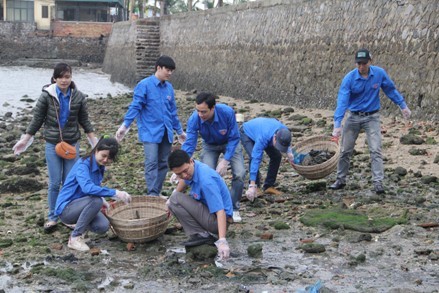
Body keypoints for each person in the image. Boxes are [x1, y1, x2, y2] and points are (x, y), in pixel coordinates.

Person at [12, 63, 98, 233]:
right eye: (61, 77)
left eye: (67, 76)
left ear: (71, 77)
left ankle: (67, 216)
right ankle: (52, 217)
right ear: (55, 78)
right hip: (52, 144)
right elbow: (37, 119)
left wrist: (94, 142)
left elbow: (84, 120)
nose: (64, 80)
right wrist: (25, 139)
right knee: (54, 183)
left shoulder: (79, 96)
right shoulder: (47, 96)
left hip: (72, 144)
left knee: (70, 182)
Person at [329, 49, 411, 194]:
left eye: (364, 63)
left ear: (370, 62)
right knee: (345, 150)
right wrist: (337, 124)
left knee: (375, 150)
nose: (361, 66)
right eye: (359, 63)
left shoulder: (379, 74)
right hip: (353, 117)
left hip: (372, 117)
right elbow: (342, 101)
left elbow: (390, 90)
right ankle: (340, 180)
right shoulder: (349, 79)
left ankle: (378, 182)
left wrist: (402, 106)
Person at [115, 55, 186, 196]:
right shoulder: (144, 85)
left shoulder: (169, 88)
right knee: (151, 162)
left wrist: (179, 131)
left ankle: (156, 191)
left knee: (164, 163)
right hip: (150, 131)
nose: (170, 73)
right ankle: (152, 193)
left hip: (166, 131)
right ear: (158, 68)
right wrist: (125, 126)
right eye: (167, 69)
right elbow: (135, 106)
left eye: (172, 70)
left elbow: (172, 112)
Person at [55, 137, 131, 251]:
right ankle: (75, 238)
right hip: (66, 209)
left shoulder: (100, 166)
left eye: (109, 158)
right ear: (96, 150)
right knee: (96, 201)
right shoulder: (83, 164)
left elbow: (94, 187)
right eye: (103, 155)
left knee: (103, 226)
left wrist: (104, 200)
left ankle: (83, 231)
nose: (105, 160)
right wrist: (115, 193)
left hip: (81, 204)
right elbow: (87, 188)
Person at [181, 92, 246, 222]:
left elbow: (235, 137)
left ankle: (233, 208)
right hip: (209, 145)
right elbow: (190, 143)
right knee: (205, 176)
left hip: (229, 143)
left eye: (204, 112)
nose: (200, 115)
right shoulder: (195, 118)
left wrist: (225, 160)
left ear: (213, 108)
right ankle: (211, 207)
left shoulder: (227, 112)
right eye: (198, 111)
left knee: (240, 173)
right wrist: (181, 163)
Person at [167, 150, 232, 260]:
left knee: (175, 199)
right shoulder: (193, 168)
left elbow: (220, 211)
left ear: (191, 161)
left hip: (219, 221)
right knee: (173, 199)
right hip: (209, 213)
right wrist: (170, 201)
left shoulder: (206, 180)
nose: (184, 175)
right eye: (179, 174)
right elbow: (184, 180)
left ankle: (202, 235)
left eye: (185, 171)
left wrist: (222, 241)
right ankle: (200, 233)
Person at [240, 117, 292, 200]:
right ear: (275, 138)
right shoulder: (263, 138)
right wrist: (252, 185)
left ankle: (268, 186)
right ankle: (255, 186)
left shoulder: (285, 131)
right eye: (278, 145)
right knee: (253, 157)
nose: (279, 147)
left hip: (264, 129)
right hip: (247, 133)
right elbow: (255, 159)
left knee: (277, 156)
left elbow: (287, 142)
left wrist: (289, 153)